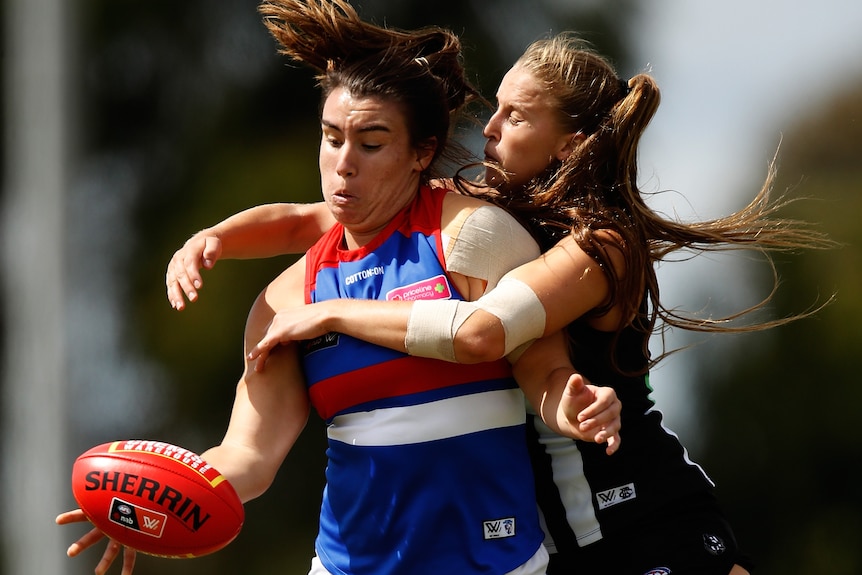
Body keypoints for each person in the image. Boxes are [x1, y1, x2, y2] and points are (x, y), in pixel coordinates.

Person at [165, 30, 836, 575]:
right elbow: (307, 218)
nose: (490, 129)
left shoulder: (592, 241)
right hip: (562, 542)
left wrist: (335, 315)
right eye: (331, 137)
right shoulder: (478, 215)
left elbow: (484, 335)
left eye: (517, 117)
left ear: (570, 145)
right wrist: (215, 237)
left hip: (648, 519)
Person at [58, 2, 624, 575]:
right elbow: (249, 454)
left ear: (421, 153)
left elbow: (542, 374)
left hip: (494, 560)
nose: (343, 164)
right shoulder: (286, 298)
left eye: (371, 143)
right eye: (331, 139)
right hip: (347, 564)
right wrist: (155, 500)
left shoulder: (471, 236)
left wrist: (571, 407)